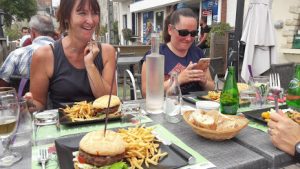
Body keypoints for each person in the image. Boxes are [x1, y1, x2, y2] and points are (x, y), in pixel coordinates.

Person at [27, 0, 117, 111]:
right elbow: (38, 103)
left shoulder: (107, 52)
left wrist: (90, 65)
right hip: (63, 125)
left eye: (95, 13)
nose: (91, 20)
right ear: (66, 17)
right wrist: (27, 106)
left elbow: (110, 102)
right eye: (82, 13)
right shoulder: (44, 55)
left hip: (102, 126)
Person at [141, 8, 214, 97]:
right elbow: (146, 93)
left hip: (197, 108)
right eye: (183, 32)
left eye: (193, 33)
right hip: (168, 108)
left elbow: (212, 88)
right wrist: (178, 79)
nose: (188, 38)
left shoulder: (198, 53)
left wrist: (204, 82)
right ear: (170, 29)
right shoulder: (155, 56)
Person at [0, 15, 55, 87]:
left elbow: (2, 85)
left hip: (23, 97)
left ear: (32, 32)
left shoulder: (17, 54)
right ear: (53, 32)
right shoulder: (66, 53)